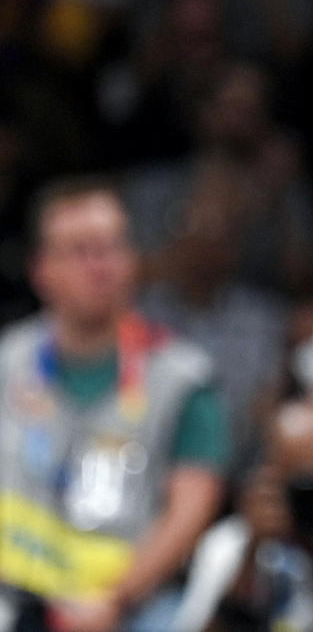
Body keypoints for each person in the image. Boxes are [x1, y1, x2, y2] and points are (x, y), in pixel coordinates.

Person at [0, 177, 228, 631]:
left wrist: (114, 599)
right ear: (41, 269)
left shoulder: (182, 378)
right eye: (80, 251)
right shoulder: (9, 361)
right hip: (11, 593)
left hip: (131, 607)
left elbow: (192, 507)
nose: (99, 266)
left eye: (112, 248)